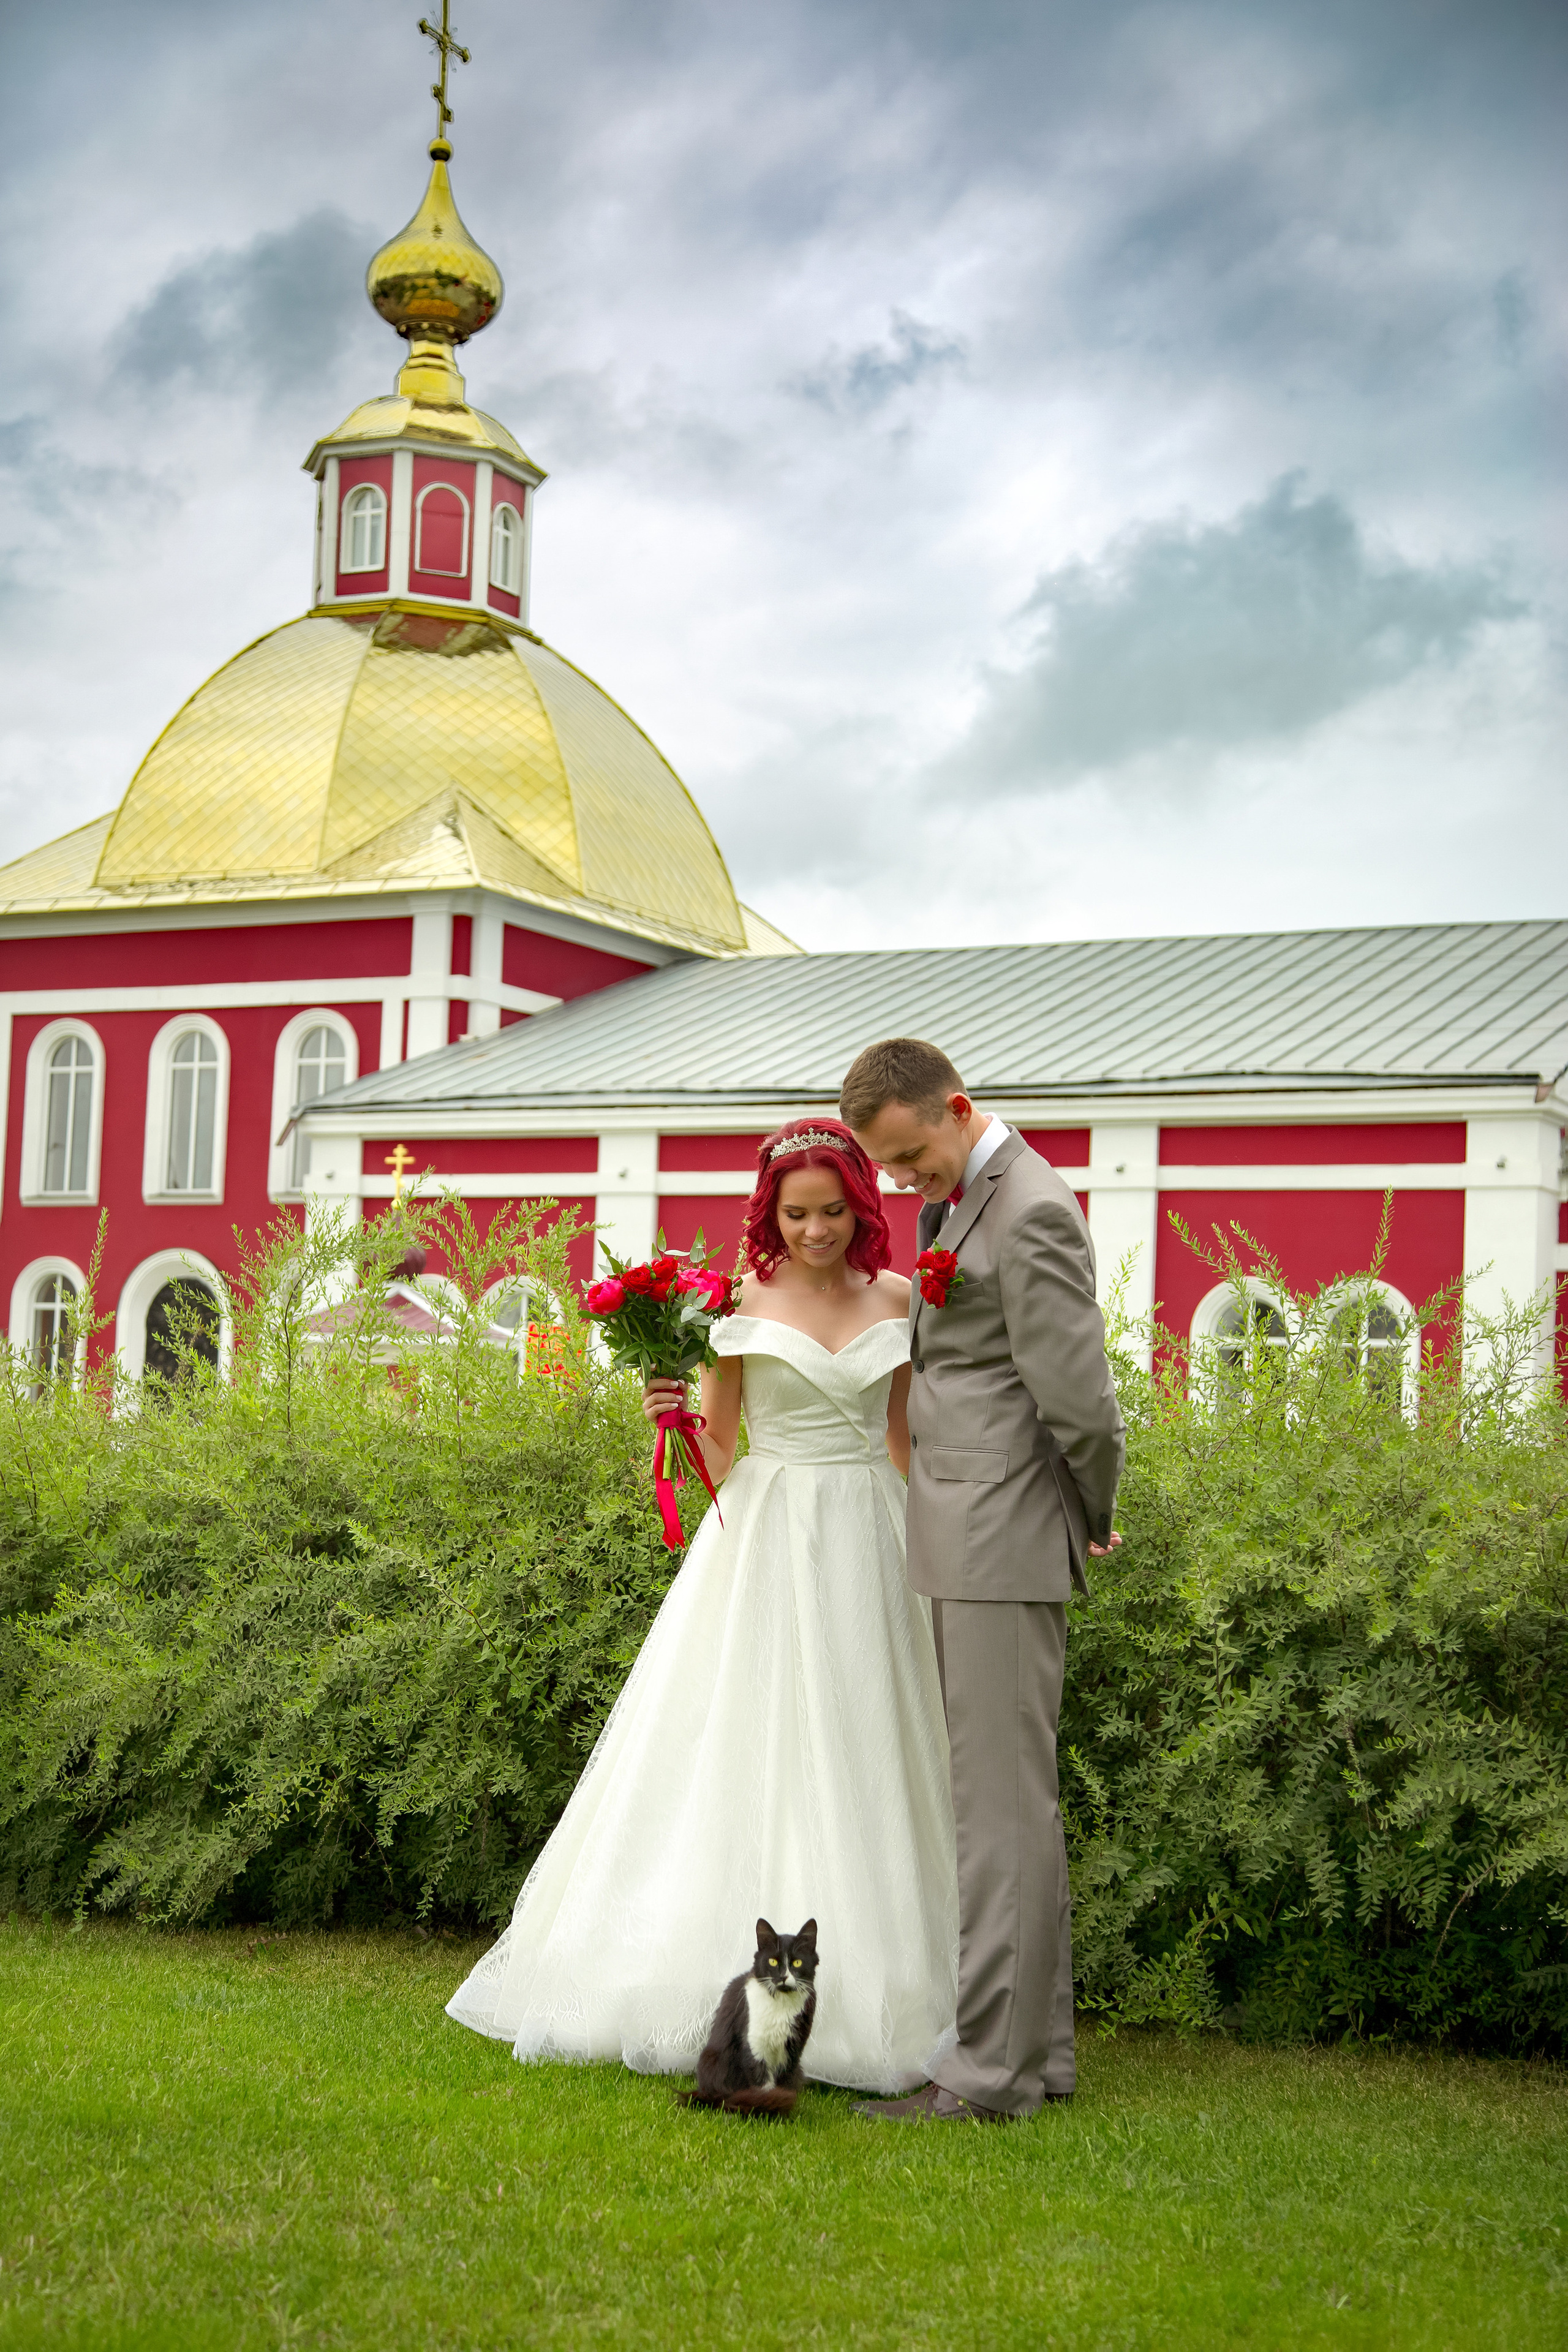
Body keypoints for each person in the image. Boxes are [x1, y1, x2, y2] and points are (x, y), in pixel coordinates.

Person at [447, 1118, 959, 2094]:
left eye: (834, 1211)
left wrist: (943, 1531)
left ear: (863, 1205)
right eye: (797, 1214)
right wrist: (672, 1426)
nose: (816, 1231)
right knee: (743, 1740)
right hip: (767, 1534)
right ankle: (708, 1985)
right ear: (772, 1214)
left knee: (870, 1739)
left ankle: (893, 1987)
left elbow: (903, 1440)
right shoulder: (734, 1303)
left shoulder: (901, 1297)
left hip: (872, 1533)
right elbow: (720, 1455)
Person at [842, 1038, 1125, 2124]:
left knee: (997, 1811)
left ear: (957, 1109)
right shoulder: (961, 1201)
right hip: (970, 1525)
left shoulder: (1032, 1209)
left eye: (914, 1157)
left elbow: (1082, 1401)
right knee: (1012, 1807)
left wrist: (1089, 1512)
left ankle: (988, 2076)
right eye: (891, 1168)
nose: (906, 1182)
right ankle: (1035, 2058)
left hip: (1004, 1531)